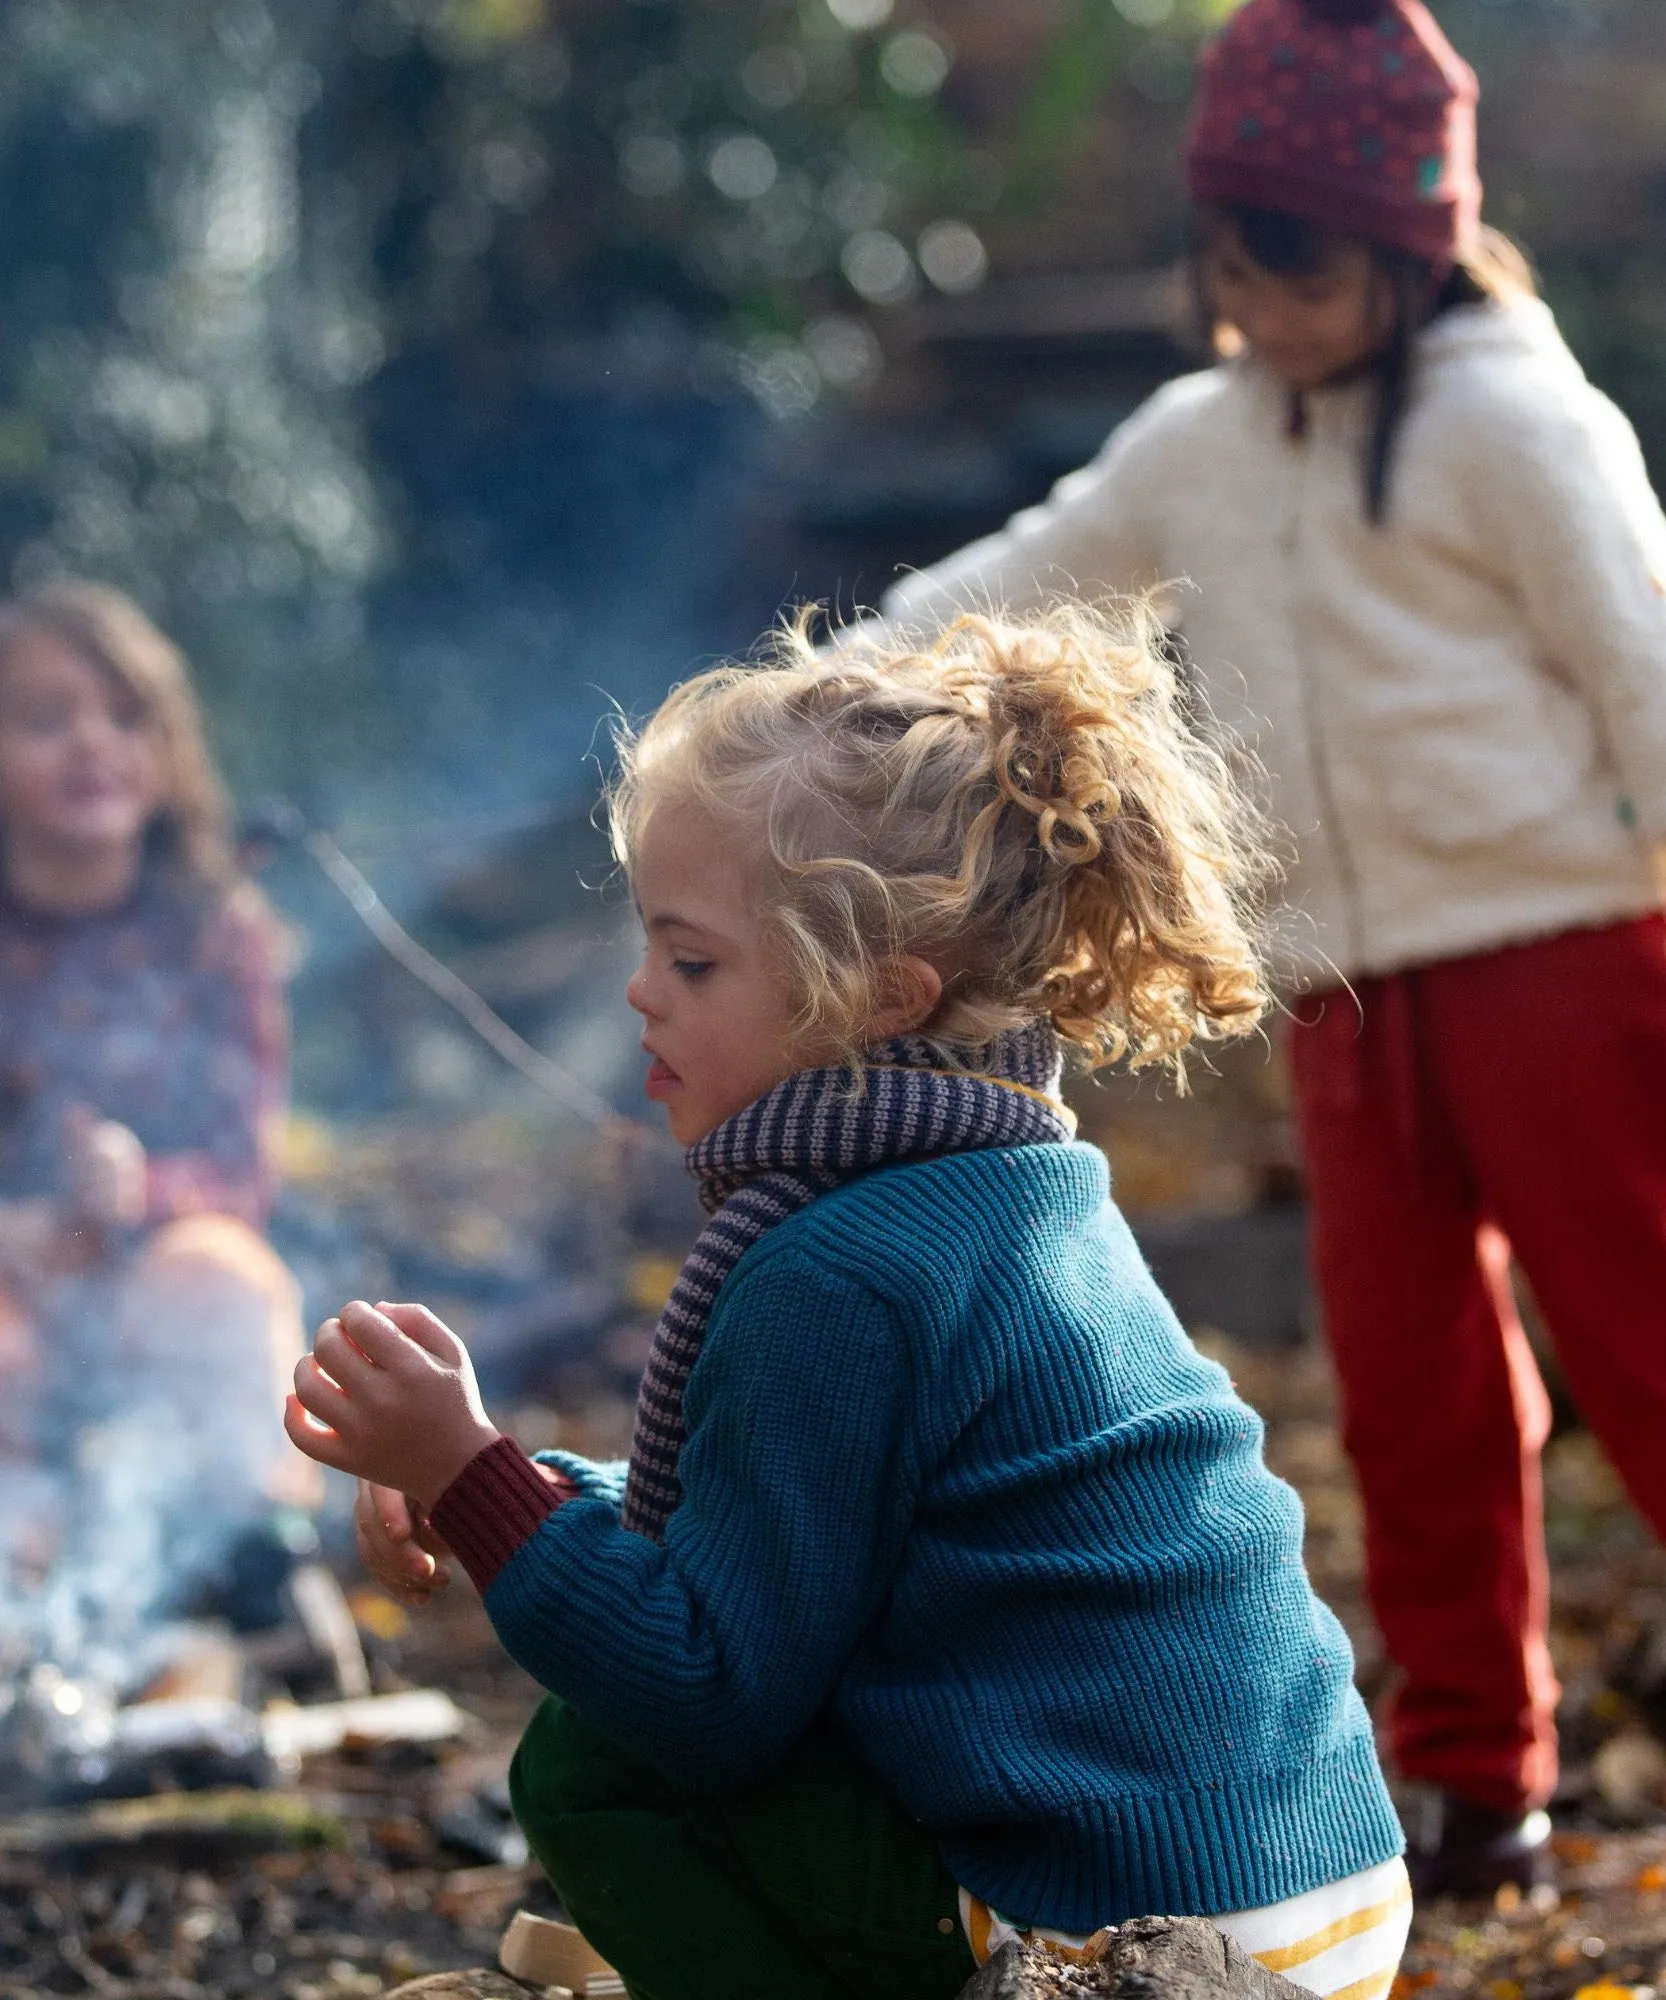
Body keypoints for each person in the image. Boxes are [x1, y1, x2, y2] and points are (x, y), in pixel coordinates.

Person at [288, 602, 1410, 2000]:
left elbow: (704, 1695)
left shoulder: (835, 1272)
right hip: (1317, 1892)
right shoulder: (1017, 1183)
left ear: (879, 995)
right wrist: (490, 1492)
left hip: (1120, 1932)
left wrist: (470, 1472)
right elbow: (781, 1545)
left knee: (597, 1764)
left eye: (692, 960)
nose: (641, 995)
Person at [860, 0, 1666, 1897]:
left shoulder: (1518, 418)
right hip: (1347, 991)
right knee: (1406, 1384)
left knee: (1644, 1332)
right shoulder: (1200, 441)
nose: (1248, 301)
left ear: (1402, 243)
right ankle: (1478, 1771)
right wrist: (831, 687)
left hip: (1559, 950)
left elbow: (1642, 664)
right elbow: (1020, 576)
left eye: (1287, 262)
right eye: (1221, 260)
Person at [0, 579, 310, 1620]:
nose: (92, 743)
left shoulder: (219, 933)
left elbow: (243, 1168)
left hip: (155, 1267)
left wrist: (141, 1190)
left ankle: (253, 1550)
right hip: (17, 1277)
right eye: (45, 719)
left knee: (226, 1282)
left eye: (124, 715)